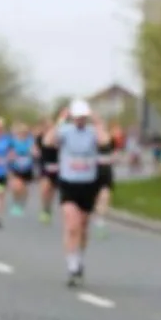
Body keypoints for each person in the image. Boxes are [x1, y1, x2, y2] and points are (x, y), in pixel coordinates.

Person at [43, 100, 109, 287]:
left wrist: (98, 122)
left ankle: (78, 257)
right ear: (72, 116)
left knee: (83, 226)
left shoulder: (92, 132)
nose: (80, 120)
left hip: (88, 183)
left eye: (83, 117)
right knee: (72, 225)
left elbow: (105, 141)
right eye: (77, 117)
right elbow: (47, 142)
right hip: (68, 183)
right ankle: (72, 266)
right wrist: (59, 121)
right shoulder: (65, 131)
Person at [35, 118, 60, 224]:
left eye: (50, 126)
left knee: (52, 190)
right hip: (45, 166)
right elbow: (36, 149)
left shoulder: (59, 138)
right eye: (46, 127)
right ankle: (44, 208)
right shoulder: (40, 138)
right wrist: (35, 153)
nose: (48, 128)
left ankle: (48, 208)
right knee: (45, 189)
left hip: (57, 167)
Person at [9, 121, 37, 218]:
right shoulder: (13, 141)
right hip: (16, 167)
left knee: (24, 189)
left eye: (24, 132)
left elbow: (35, 151)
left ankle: (22, 203)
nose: (22, 134)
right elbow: (9, 151)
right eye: (20, 132)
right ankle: (16, 203)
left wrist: (34, 152)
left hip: (27, 168)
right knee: (16, 186)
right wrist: (11, 155)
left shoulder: (30, 141)